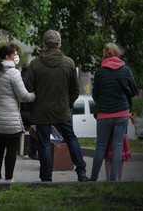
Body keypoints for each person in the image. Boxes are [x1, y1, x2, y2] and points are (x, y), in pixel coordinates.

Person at [25, 30, 89, 182]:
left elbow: (28, 89)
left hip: (41, 110)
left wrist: (31, 108)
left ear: (44, 45)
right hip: (62, 109)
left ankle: (46, 177)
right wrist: (68, 104)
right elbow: (74, 89)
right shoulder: (69, 63)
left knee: (44, 144)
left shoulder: (35, 64)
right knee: (71, 138)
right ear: (59, 44)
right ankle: (81, 171)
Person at [0, 44, 35, 182]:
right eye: (15, 54)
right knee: (11, 150)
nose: (16, 56)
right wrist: (35, 95)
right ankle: (8, 179)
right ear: (8, 57)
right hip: (10, 119)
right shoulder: (13, 73)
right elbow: (24, 95)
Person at [90, 43, 137, 181]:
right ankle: (114, 180)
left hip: (104, 114)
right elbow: (133, 90)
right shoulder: (126, 70)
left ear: (104, 54)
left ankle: (93, 178)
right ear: (118, 54)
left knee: (101, 146)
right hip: (122, 113)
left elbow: (95, 95)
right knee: (117, 146)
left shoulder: (100, 73)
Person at [20, 63, 38, 160]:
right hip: (20, 112)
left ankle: (34, 150)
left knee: (37, 121)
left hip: (28, 111)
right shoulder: (19, 83)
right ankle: (33, 151)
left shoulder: (33, 83)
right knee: (35, 121)